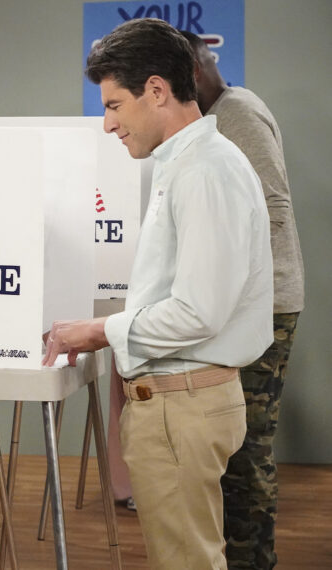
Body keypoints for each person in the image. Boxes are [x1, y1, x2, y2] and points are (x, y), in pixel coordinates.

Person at [44, 19, 274, 569]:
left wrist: (100, 329)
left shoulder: (203, 172)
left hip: (182, 407)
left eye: (114, 105)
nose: (107, 125)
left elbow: (198, 311)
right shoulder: (187, 165)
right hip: (179, 404)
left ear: (156, 90)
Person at [180, 30, 306, 569]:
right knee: (236, 445)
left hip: (267, 303)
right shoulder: (223, 115)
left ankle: (254, 561)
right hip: (255, 301)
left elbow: (273, 210)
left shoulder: (238, 115)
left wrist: (236, 290)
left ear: (193, 73)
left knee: (247, 448)